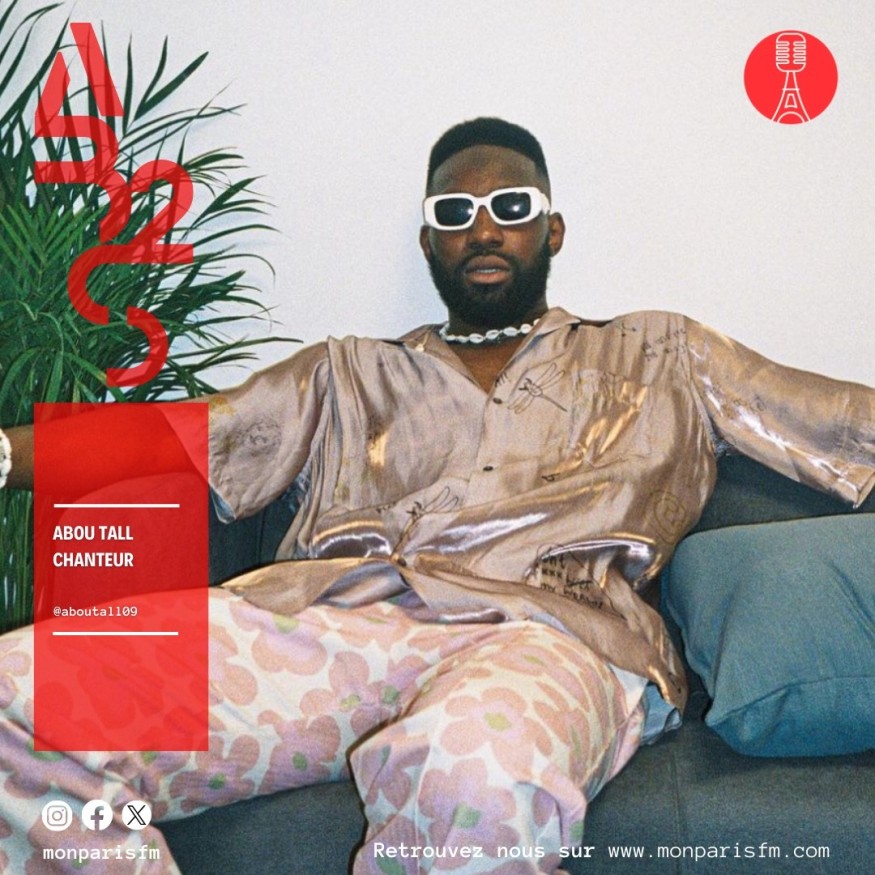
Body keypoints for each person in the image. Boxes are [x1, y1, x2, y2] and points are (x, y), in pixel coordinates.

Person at [1, 117, 873, 875]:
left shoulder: (661, 352)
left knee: (471, 773)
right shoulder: (346, 373)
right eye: (454, 213)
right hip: (333, 623)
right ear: (428, 242)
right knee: (21, 699)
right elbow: (183, 439)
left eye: (510, 207)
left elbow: (835, 419)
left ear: (552, 229)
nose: (482, 228)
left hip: (549, 635)